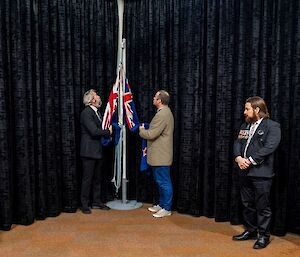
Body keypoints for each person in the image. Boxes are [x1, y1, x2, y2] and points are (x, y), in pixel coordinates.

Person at [232, 96, 281, 249]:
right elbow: (237, 143)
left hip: (261, 173)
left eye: (247, 109)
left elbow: (270, 147)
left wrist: (250, 160)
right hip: (244, 172)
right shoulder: (245, 126)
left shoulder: (272, 126)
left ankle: (263, 236)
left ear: (257, 110)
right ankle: (251, 230)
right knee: (247, 205)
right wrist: (239, 158)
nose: (244, 112)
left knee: (262, 207)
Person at [139, 90, 174, 218]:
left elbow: (152, 134)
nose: (153, 98)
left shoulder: (163, 114)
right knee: (160, 181)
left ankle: (167, 208)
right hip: (159, 156)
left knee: (164, 182)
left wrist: (142, 130)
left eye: (155, 97)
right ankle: (162, 204)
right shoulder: (163, 113)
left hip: (161, 156)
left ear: (159, 101)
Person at [80, 89, 112, 214]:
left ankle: (96, 201)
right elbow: (94, 131)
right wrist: (108, 132)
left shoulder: (98, 112)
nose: (99, 97)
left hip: (98, 151)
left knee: (98, 178)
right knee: (87, 179)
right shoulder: (86, 113)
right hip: (89, 152)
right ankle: (84, 204)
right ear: (92, 100)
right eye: (97, 95)